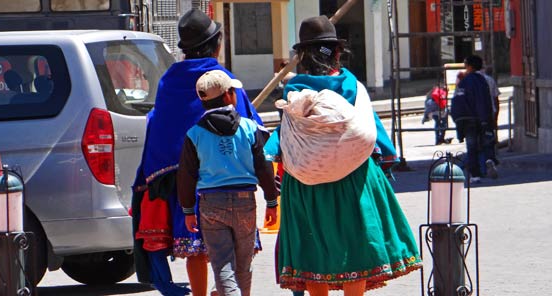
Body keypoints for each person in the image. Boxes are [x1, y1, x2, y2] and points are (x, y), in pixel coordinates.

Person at [266, 15, 422, 295]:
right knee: (355, 246)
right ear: (337, 52)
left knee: (313, 250)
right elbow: (378, 138)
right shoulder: (355, 89)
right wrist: (386, 163)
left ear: (302, 55)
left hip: (305, 186)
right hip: (356, 180)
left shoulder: (293, 93)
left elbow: (283, 136)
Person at [131, 8, 264, 296]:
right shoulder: (223, 80)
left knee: (196, 250)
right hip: (229, 180)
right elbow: (253, 128)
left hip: (187, 186)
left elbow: (161, 129)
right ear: (216, 44)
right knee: (238, 250)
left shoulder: (169, 82)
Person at [178, 70, 278, 296]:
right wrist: (271, 201)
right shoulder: (249, 128)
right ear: (228, 96)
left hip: (211, 204)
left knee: (222, 264)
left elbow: (186, 176)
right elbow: (263, 168)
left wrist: (187, 210)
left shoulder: (194, 134)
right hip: (245, 203)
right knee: (244, 263)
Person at [451, 55, 498, 183]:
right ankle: (489, 159)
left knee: (471, 147)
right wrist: (489, 119)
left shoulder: (464, 82)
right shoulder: (486, 80)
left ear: (470, 66)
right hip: (483, 118)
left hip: (467, 120)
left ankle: (475, 175)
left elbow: (457, 101)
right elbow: (489, 101)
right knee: (487, 143)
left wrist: (457, 119)